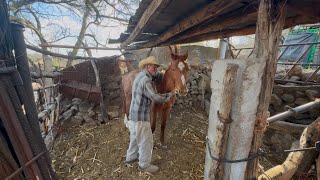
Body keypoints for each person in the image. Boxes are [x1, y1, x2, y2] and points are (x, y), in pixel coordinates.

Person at [125, 56, 176, 173]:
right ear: (148, 66)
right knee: (146, 141)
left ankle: (131, 157)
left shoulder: (141, 75)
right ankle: (144, 165)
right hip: (141, 117)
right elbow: (156, 97)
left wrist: (166, 75)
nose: (156, 69)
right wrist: (170, 95)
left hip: (133, 115)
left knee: (134, 136)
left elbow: (157, 75)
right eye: (154, 66)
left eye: (157, 67)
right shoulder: (146, 81)